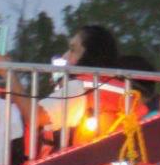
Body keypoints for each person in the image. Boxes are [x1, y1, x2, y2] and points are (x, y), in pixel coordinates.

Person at [36, 24, 136, 152]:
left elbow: (33, 116)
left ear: (89, 55)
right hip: (112, 162)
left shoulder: (78, 88)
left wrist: (7, 75)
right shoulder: (125, 91)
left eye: (72, 50)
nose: (65, 56)